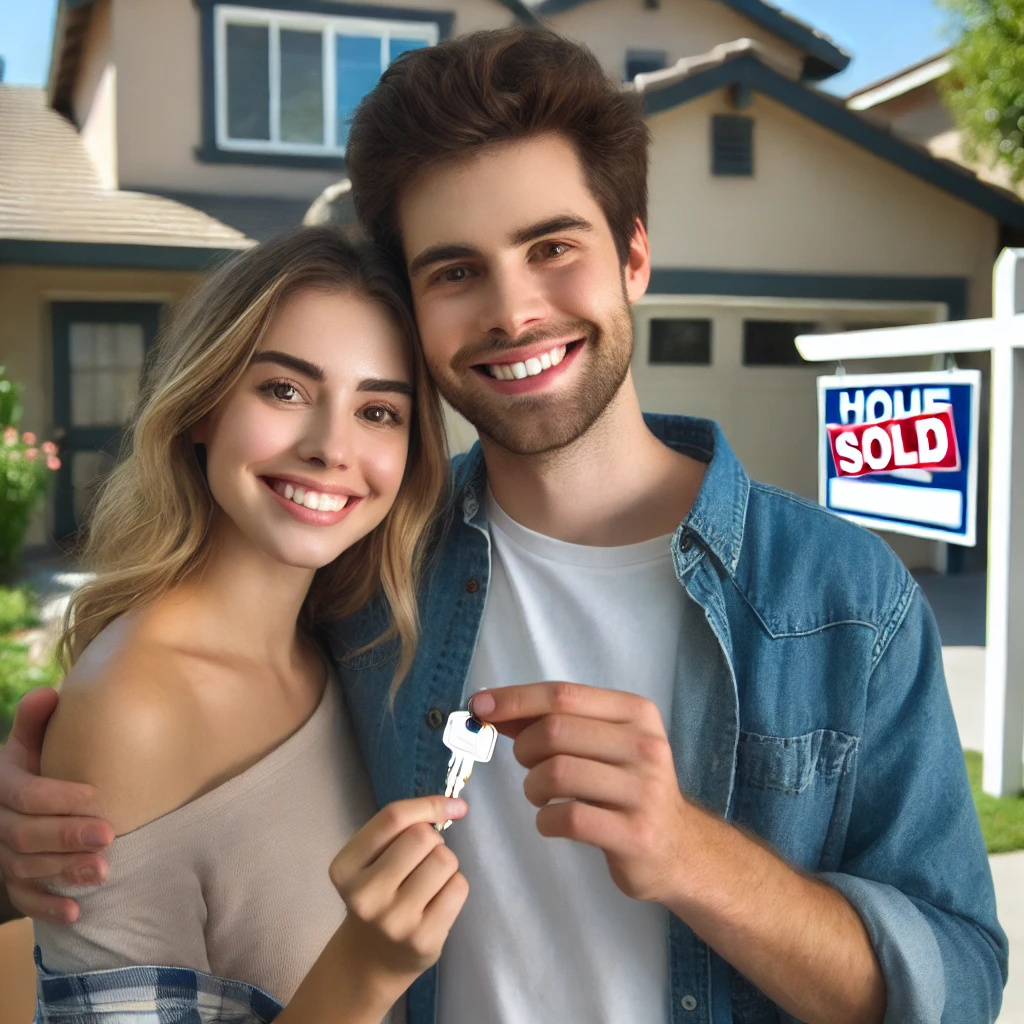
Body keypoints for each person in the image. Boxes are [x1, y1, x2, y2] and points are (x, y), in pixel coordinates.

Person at [0, 26, 1008, 1024]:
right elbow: (189, 730)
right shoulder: (370, 570)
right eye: (454, 271)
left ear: (633, 256)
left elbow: (958, 987)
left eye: (552, 247)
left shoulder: (841, 599)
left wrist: (691, 853)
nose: (513, 311)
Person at [7, 226, 471, 1023]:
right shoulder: (136, 708)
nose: (332, 447)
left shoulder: (353, 648)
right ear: (201, 407)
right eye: (284, 390)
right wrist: (362, 971)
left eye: (378, 410)